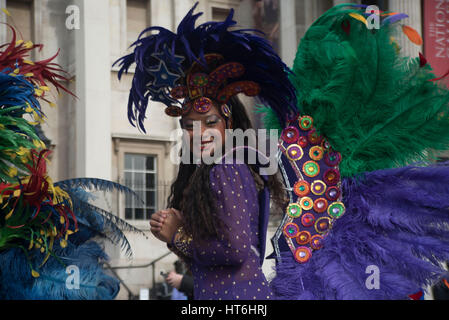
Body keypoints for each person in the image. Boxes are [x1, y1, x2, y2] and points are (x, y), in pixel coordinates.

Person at [115, 3, 295, 300]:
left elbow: (234, 249)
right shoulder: (227, 167)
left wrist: (178, 235)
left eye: (209, 122)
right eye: (188, 125)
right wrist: (182, 231)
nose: (198, 133)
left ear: (229, 122)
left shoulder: (226, 168)